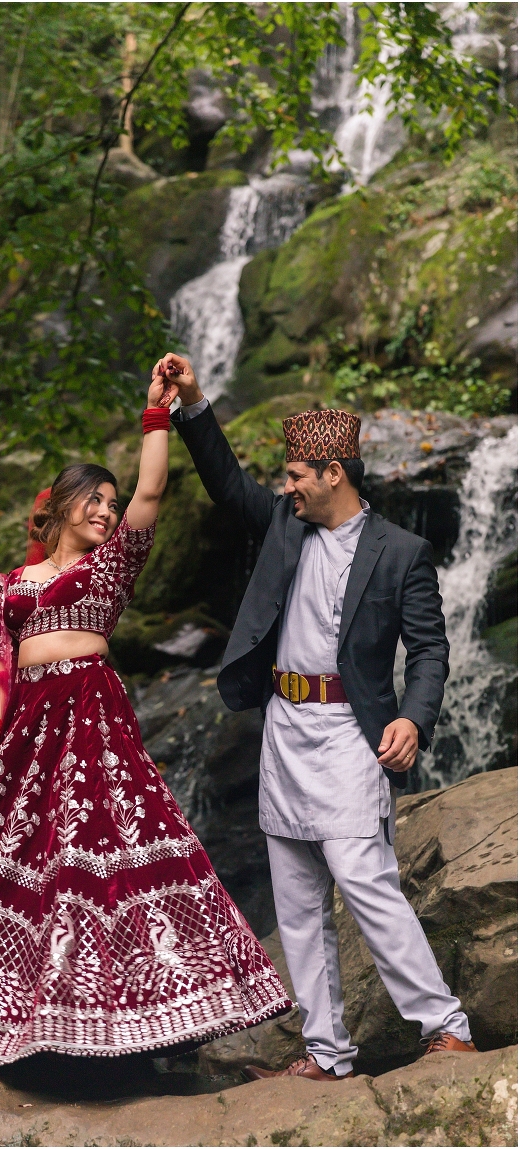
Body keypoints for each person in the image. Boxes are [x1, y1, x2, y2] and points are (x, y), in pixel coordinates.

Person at [0, 371, 291, 1093]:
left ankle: (115, 1028)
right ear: (60, 507)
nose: (107, 509)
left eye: (110, 501)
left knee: (98, 858)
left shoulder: (112, 567)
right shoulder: (11, 586)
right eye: (93, 500)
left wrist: (157, 411)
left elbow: (153, 490)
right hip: (27, 731)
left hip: (93, 721)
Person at [157, 351, 476, 1083]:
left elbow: (430, 649)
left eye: (298, 472)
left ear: (334, 471)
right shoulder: (283, 524)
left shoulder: (402, 552)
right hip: (284, 727)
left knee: (365, 880)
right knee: (297, 900)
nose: (286, 483)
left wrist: (415, 719)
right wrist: (193, 402)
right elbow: (224, 480)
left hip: (348, 733)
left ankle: (447, 1027)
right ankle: (329, 1052)